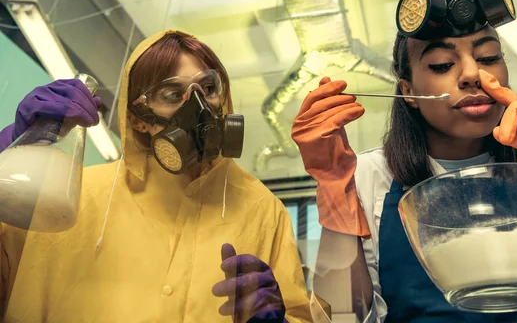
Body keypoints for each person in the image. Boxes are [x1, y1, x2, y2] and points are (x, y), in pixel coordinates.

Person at [292, 0, 517, 322]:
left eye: (488, 57)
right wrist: (334, 187)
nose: (471, 74)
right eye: (442, 64)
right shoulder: (368, 178)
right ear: (408, 90)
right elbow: (341, 318)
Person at [0, 29, 311, 322]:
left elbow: (299, 314)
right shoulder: (73, 192)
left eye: (209, 89)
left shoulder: (261, 210)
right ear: (138, 120)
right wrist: (13, 151)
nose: (199, 108)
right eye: (173, 94)